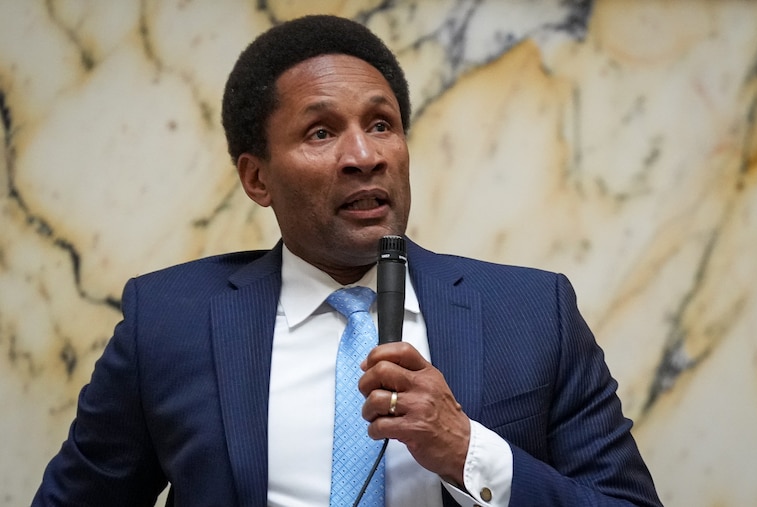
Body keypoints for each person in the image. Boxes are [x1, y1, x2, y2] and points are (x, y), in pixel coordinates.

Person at [33, 14, 662, 507]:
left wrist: (469, 451)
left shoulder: (532, 314)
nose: (365, 156)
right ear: (257, 179)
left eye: (382, 124)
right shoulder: (169, 321)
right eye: (321, 132)